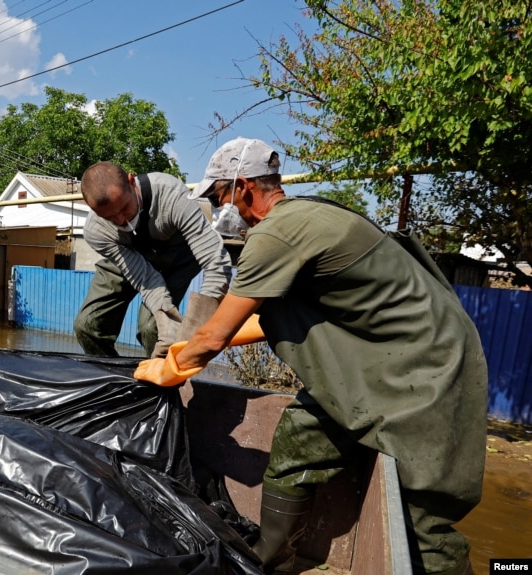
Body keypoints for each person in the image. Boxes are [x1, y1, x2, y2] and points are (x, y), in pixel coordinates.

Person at [137, 137, 487, 575]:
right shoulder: (302, 219)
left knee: (424, 520)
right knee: (297, 442)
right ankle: (272, 563)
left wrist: (168, 368)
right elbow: (251, 323)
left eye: (218, 195)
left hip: (425, 365)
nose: (218, 207)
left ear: (243, 186)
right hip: (373, 360)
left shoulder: (277, 234)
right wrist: (192, 349)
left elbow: (214, 336)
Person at [74, 161, 232, 358]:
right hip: (127, 258)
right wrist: (159, 305)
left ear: (131, 182)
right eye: (110, 217)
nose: (122, 220)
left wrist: (198, 326)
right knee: (86, 326)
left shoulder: (170, 194)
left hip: (176, 258)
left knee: (153, 328)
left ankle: (164, 383)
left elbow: (214, 259)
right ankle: (115, 382)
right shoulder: (96, 230)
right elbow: (144, 276)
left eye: (124, 207)